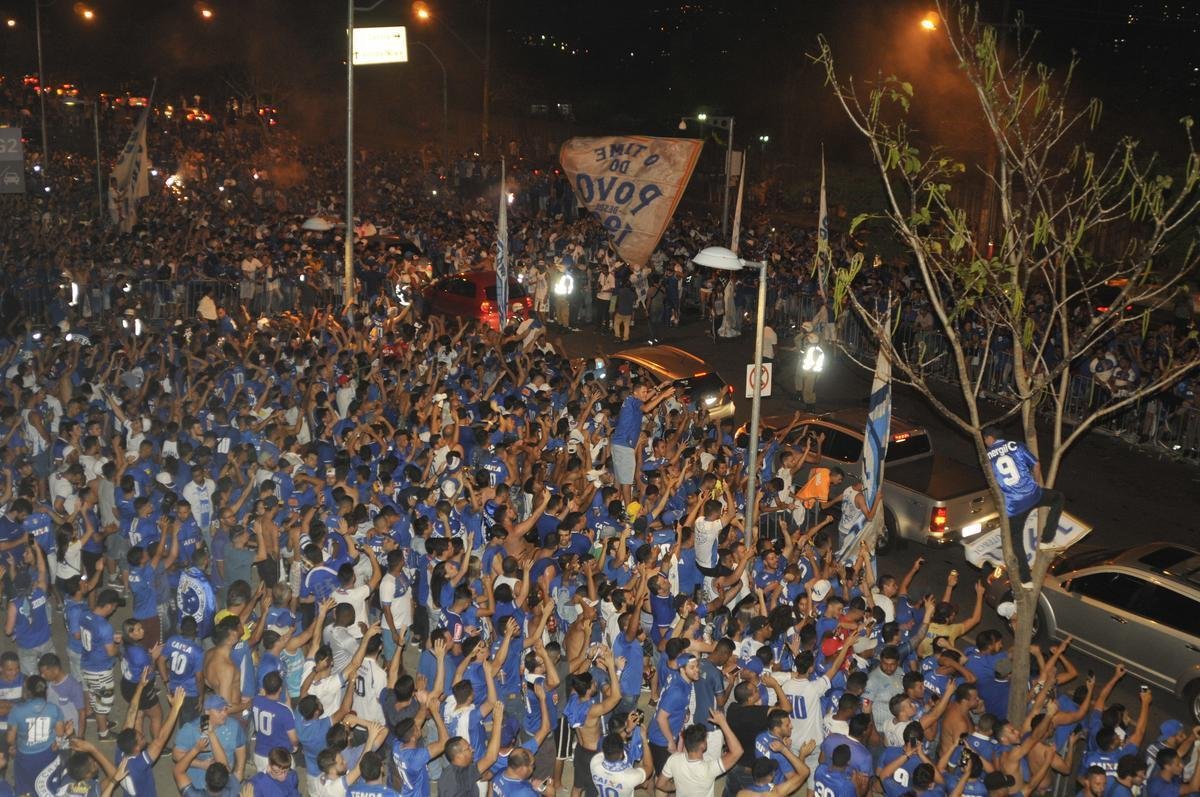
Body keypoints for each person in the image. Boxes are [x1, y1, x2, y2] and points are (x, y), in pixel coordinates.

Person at [981, 427, 1067, 589]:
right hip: (1032, 495)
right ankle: (1047, 540)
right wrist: (1036, 484)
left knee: (1016, 541)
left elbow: (994, 484)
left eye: (985, 439)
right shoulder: (1017, 445)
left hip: (1014, 506)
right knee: (1058, 498)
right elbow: (1036, 465)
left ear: (990, 438)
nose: (985, 443)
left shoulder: (986, 458)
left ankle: (1026, 579)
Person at [657, 713, 745, 797]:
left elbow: (660, 784)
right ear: (703, 745)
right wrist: (723, 723)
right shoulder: (709, 769)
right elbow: (738, 751)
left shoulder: (673, 759)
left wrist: (675, 786)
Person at [6, 674, 66, 795]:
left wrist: (12, 747)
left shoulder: (16, 710)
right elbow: (60, 732)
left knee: (25, 785)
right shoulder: (54, 709)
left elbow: (10, 738)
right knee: (48, 783)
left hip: (25, 755)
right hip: (48, 753)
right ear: (45, 691)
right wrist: (58, 742)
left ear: (28, 692)